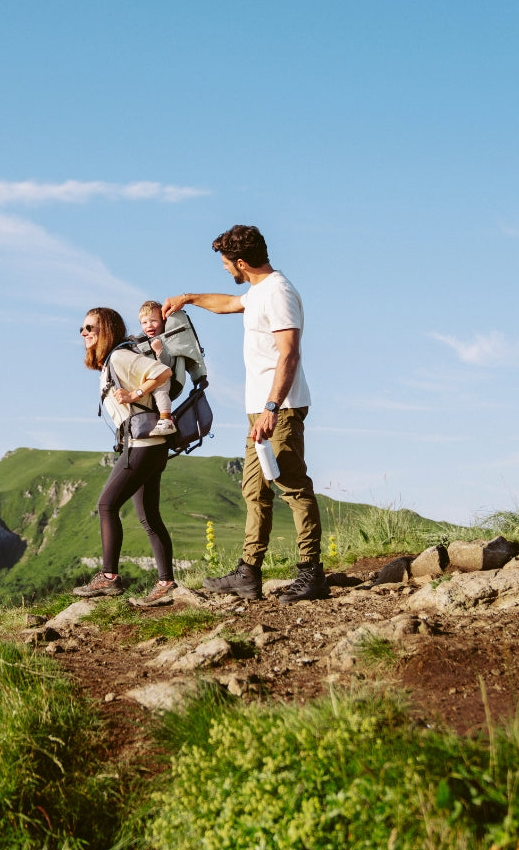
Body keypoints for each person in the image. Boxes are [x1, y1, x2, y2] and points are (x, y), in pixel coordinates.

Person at [163, 224, 329, 604]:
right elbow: (228, 303)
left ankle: (311, 573)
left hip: (280, 408)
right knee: (255, 489)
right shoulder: (257, 292)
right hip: (261, 411)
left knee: (292, 486)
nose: (225, 270)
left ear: (240, 262)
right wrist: (187, 298)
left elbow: (289, 353)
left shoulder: (279, 293)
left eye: (226, 263)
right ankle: (248, 574)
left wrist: (272, 407)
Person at [74, 307, 178, 606]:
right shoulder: (111, 362)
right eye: (82, 329)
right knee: (148, 516)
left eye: (90, 328)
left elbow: (162, 371)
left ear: (105, 330)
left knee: (106, 504)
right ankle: (166, 582)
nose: (83, 333)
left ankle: (108, 578)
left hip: (144, 445)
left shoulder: (119, 357)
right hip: (152, 444)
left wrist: (134, 395)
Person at [137, 300, 178, 437]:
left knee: (161, 390)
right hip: (146, 379)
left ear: (163, 322)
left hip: (163, 376)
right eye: (144, 322)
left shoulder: (165, 340)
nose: (149, 325)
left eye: (153, 321)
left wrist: (160, 351)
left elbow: (169, 364)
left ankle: (167, 419)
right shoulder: (141, 342)